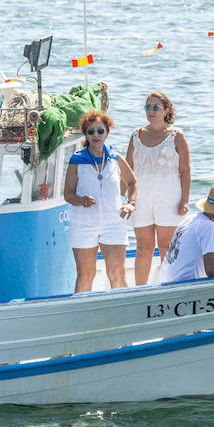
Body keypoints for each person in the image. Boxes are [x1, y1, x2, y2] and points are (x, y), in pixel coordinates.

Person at [64, 110, 137, 291]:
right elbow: (68, 194)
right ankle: (81, 316)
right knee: (85, 275)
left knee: (117, 274)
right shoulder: (77, 161)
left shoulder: (115, 158)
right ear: (85, 135)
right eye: (91, 132)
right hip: (84, 223)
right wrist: (80, 200)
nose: (96, 135)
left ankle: (123, 314)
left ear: (107, 132)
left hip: (114, 222)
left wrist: (131, 203)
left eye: (100, 131)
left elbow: (132, 182)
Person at [124, 93, 191, 286]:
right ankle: (140, 289)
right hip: (142, 198)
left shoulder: (176, 135)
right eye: (147, 107)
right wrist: (122, 198)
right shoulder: (136, 135)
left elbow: (185, 171)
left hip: (169, 198)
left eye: (155, 107)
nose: (151, 111)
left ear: (166, 111)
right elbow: (127, 169)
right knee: (143, 247)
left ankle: (168, 286)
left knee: (166, 246)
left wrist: (185, 200)